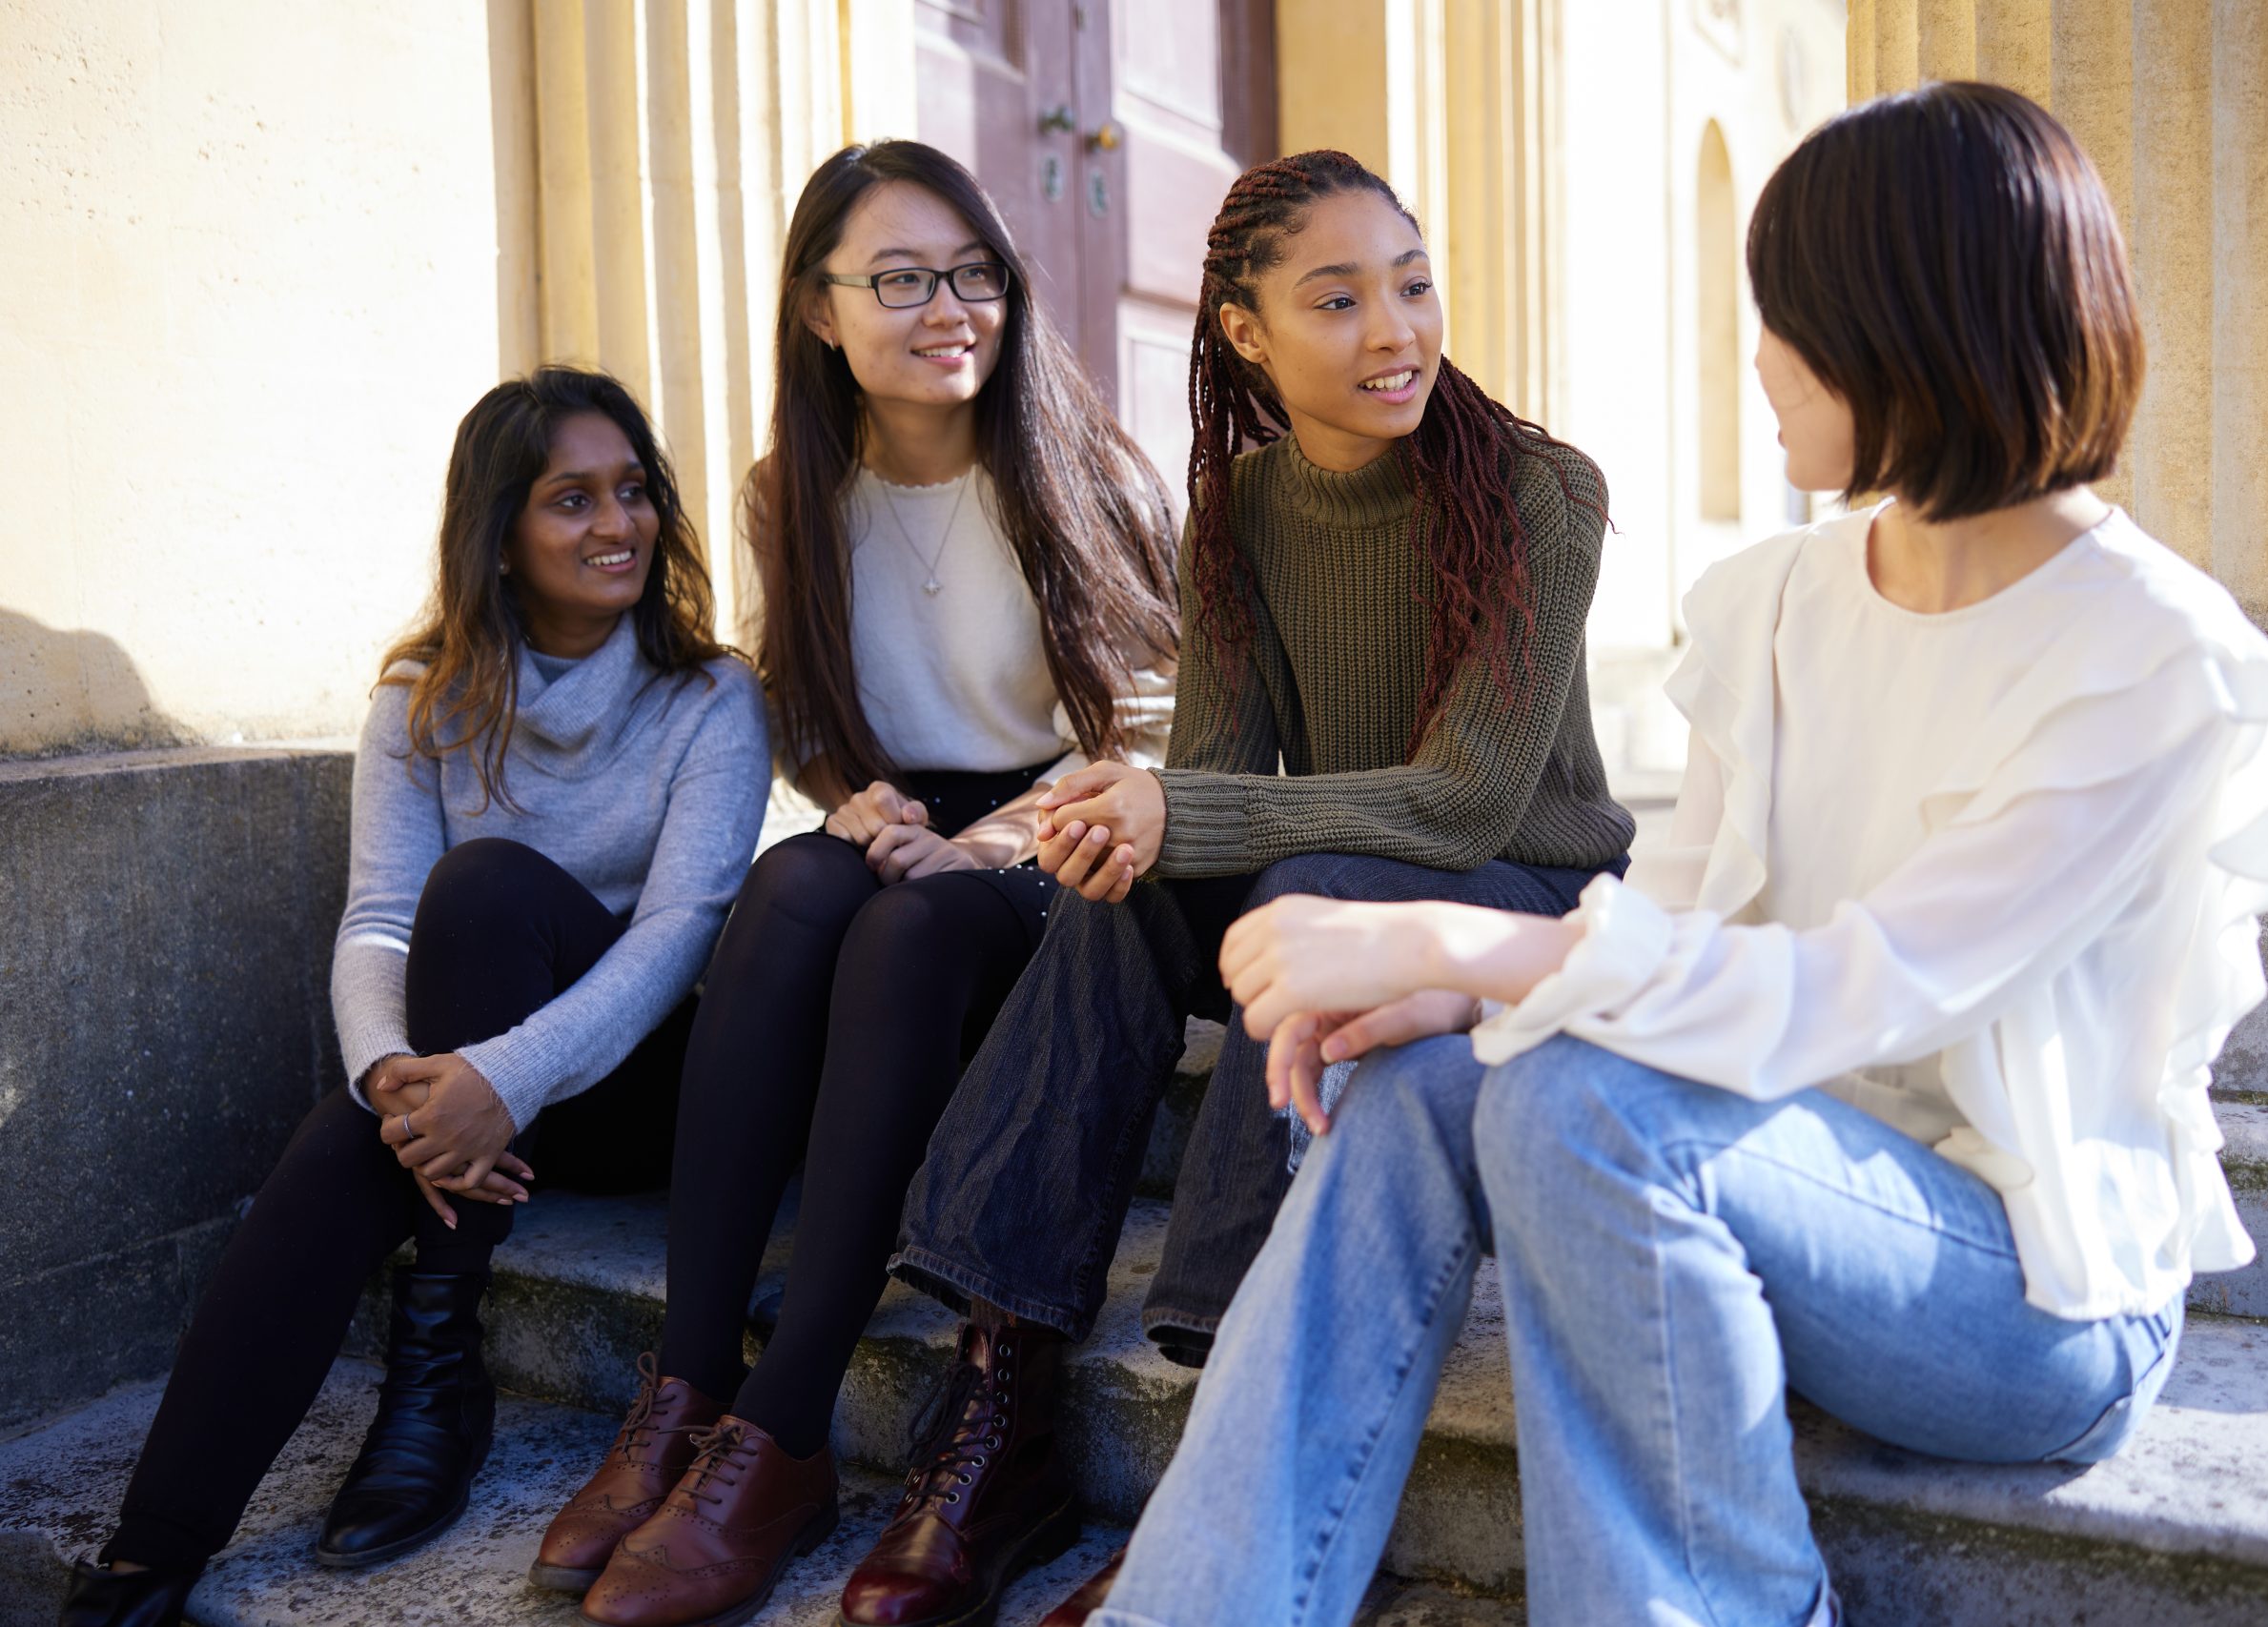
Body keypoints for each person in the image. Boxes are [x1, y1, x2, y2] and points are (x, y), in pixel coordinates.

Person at [1056, 83, 2268, 1627]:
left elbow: (1871, 986)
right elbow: (1678, 916)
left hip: (2028, 1300)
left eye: (1787, 312)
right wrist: (1464, 1007)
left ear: (1908, 328)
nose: (1756, 354)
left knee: (1585, 1101)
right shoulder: (1779, 598)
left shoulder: (2155, 659)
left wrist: (1474, 951)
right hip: (1760, 1162)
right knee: (1424, 1086)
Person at [838, 149, 1640, 1627]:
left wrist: (1178, 805)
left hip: (1516, 894)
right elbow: (1211, 777)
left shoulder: (1542, 492)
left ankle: (1229, 1442)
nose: (1394, 328)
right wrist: (1121, 829)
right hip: (1327, 887)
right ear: (1244, 333)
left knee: (1316, 882)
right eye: (1336, 300)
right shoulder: (1245, 513)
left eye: (1411, 284)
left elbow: (1464, 799)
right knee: (1134, 889)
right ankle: (1000, 1395)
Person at [544, 141, 1178, 1627]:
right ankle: (684, 1390)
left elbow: (1151, 729)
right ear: (823, 312)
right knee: (786, 897)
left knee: (904, 931)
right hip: (911, 826)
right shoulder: (796, 489)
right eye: (900, 278)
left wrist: (995, 838)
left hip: (1066, 853)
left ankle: (782, 1430)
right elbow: (814, 703)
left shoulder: (1087, 469)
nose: (945, 305)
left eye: (971, 273)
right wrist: (857, 801)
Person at [61, 368, 770, 1627]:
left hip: (637, 1086)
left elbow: (677, 936)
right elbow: (380, 918)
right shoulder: (423, 697)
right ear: (497, 534)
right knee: (361, 1105)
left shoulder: (711, 698)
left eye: (632, 490)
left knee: (492, 886)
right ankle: (147, 1557)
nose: (618, 523)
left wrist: (506, 1077)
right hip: (463, 1095)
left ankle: (429, 1372)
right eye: (571, 499)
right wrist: (391, 1077)